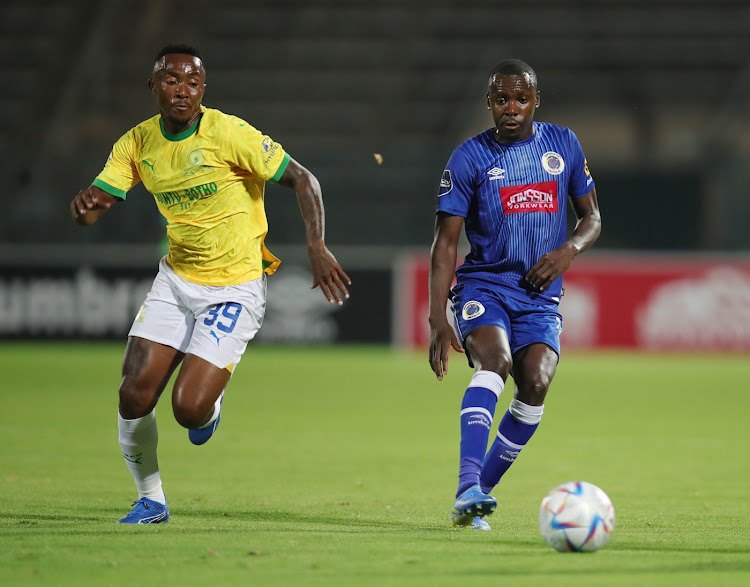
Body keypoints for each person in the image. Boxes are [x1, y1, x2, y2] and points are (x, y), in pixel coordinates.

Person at [70, 44, 351, 524]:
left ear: (204, 89)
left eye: (193, 83)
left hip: (235, 287)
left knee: (189, 410)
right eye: (173, 80)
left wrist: (316, 246)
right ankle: (151, 499)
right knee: (133, 394)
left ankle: (211, 405)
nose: (183, 91)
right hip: (177, 281)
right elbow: (98, 207)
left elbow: (305, 180)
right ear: (153, 85)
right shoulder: (136, 144)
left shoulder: (229, 133)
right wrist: (88, 205)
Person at [428, 59, 601, 530]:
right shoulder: (469, 158)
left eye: (520, 99)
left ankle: (475, 496)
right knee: (496, 363)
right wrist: (437, 316)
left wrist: (568, 250)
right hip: (485, 285)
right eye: (501, 99)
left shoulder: (562, 144)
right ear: (489, 103)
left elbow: (592, 219)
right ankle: (468, 487)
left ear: (535, 101)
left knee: (537, 384)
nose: (511, 108)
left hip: (540, 297)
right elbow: (446, 243)